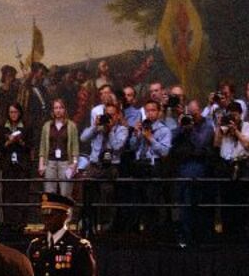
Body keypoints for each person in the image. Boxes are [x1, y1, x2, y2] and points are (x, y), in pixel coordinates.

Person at [80, 102, 129, 233]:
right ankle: (89, 224)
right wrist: (95, 127)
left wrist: (110, 131)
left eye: (112, 115)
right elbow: (83, 138)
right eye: (107, 115)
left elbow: (117, 147)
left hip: (110, 167)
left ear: (118, 116)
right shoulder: (98, 128)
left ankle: (106, 227)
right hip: (94, 165)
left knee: (107, 196)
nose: (110, 118)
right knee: (87, 194)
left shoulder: (122, 130)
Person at [171, 100, 214, 246]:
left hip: (198, 166)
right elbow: (172, 139)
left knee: (190, 201)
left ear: (200, 111)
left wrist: (192, 129)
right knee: (180, 200)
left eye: (194, 114)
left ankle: (190, 235)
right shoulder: (184, 123)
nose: (192, 117)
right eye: (190, 114)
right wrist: (182, 126)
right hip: (181, 166)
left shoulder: (207, 126)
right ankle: (181, 233)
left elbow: (201, 143)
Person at [126, 99, 172, 234]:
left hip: (153, 166)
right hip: (139, 165)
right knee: (137, 200)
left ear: (158, 112)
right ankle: (137, 231)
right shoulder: (142, 127)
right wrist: (136, 134)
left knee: (151, 200)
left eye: (153, 110)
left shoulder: (164, 130)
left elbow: (164, 152)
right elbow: (133, 147)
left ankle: (152, 231)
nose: (150, 113)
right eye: (148, 111)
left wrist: (151, 138)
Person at [212, 100, 249, 237]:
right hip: (226, 166)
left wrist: (236, 131)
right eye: (231, 115)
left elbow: (247, 145)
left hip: (242, 165)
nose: (233, 118)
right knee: (226, 200)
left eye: (235, 115)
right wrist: (219, 126)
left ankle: (243, 232)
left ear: (241, 115)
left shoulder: (246, 126)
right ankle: (227, 233)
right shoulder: (224, 127)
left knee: (241, 201)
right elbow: (216, 144)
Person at [0, 102, 33, 231]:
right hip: (8, 164)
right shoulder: (2, 128)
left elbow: (30, 147)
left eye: (16, 112)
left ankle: (21, 222)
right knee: (8, 194)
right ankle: (8, 222)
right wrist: (9, 142)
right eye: (11, 112)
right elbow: (0, 147)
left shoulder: (27, 127)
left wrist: (20, 141)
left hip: (22, 164)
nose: (13, 115)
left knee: (21, 193)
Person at [38, 99, 79, 198]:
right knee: (49, 194)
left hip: (65, 163)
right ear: (52, 110)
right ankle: (51, 214)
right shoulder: (47, 126)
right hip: (50, 163)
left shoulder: (71, 126)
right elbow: (42, 147)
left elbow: (75, 148)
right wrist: (41, 164)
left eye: (60, 108)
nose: (58, 110)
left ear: (64, 110)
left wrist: (74, 164)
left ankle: (66, 214)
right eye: (56, 108)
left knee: (65, 194)